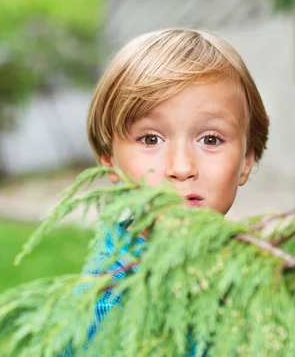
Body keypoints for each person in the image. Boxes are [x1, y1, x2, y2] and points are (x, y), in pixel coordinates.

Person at [64, 29, 270, 355]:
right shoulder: (111, 302)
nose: (182, 166)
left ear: (246, 161)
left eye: (211, 139)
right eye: (150, 139)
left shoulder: (254, 271)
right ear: (110, 163)